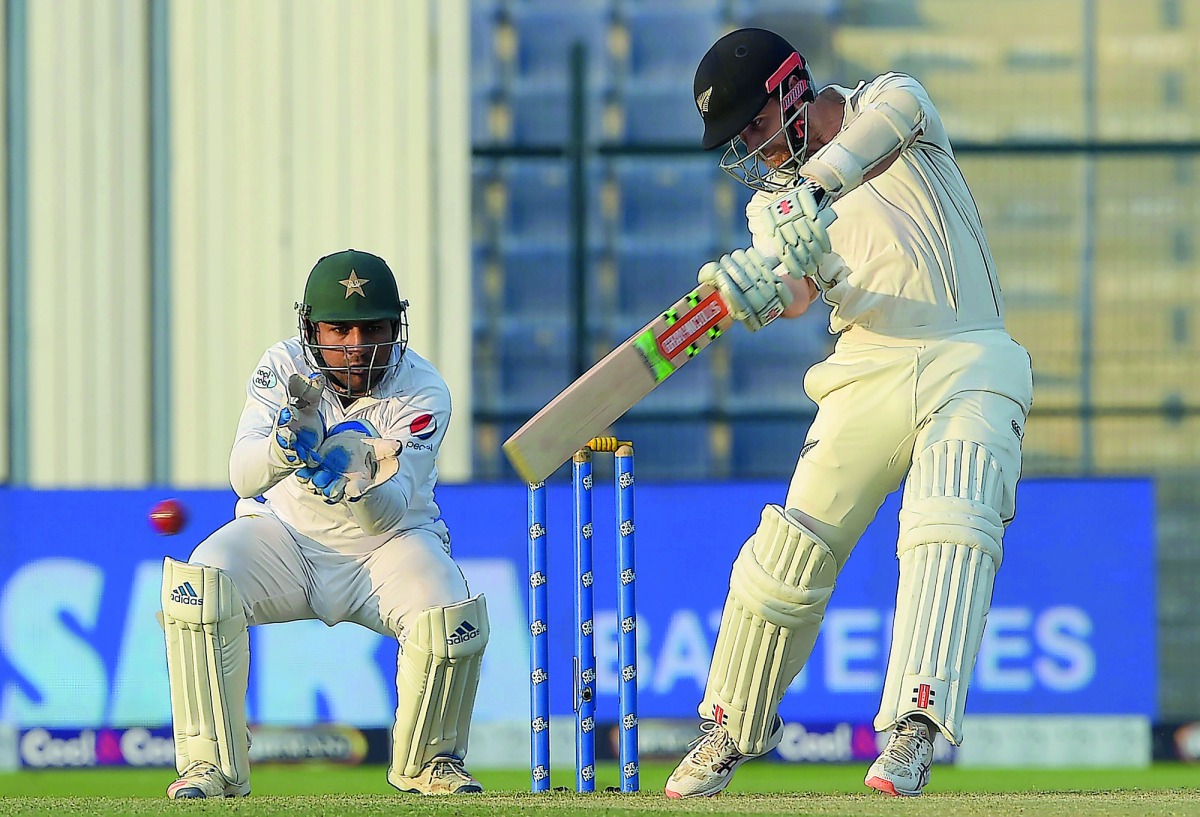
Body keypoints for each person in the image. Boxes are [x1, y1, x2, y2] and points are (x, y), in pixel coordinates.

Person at [664, 28, 1033, 798]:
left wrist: (815, 191)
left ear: (792, 88)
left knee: (950, 522)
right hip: (865, 366)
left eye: (756, 126)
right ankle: (733, 722)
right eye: (739, 140)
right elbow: (796, 292)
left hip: (968, 350)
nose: (754, 151)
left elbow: (877, 140)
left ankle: (913, 726)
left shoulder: (893, 98)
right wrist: (752, 292)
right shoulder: (772, 208)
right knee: (790, 549)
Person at [159, 249, 489, 798]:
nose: (357, 347)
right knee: (201, 585)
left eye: (372, 329)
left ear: (395, 326)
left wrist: (361, 482)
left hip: (387, 547)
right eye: (339, 329)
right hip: (284, 538)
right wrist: (284, 446)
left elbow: (390, 509)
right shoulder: (282, 365)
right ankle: (209, 767)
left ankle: (429, 764)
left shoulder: (423, 391)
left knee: (447, 613)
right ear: (311, 327)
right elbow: (243, 477)